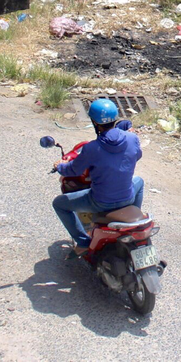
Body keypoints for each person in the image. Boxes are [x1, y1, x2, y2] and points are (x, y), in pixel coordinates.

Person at [51, 98, 144, 254]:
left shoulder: (92, 148)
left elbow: (73, 170)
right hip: (127, 197)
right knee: (139, 181)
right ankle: (135, 215)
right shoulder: (132, 138)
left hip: (100, 202)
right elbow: (137, 155)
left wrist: (59, 166)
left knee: (59, 204)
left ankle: (83, 241)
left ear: (94, 122)